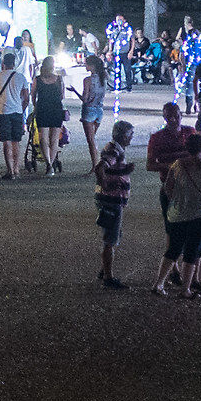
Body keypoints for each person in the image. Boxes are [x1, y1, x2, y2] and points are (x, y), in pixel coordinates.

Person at [152, 132, 201, 298]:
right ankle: (185, 289)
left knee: (173, 249)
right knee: (191, 251)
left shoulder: (178, 164)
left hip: (178, 214)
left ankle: (159, 283)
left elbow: (167, 187)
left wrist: (177, 200)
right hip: (200, 214)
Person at [92, 118, 136, 288]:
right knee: (110, 239)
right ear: (122, 136)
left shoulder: (115, 149)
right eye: (130, 135)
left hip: (111, 199)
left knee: (113, 235)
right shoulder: (113, 151)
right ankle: (108, 277)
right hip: (111, 200)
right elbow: (101, 167)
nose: (131, 138)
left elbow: (108, 168)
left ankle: (105, 269)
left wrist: (124, 170)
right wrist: (104, 183)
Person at [0, 57, 31, 181]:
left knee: (6, 141)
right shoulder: (21, 77)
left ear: (3, 64)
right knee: (16, 142)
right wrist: (22, 109)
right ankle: (17, 169)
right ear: (14, 64)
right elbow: (26, 98)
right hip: (17, 111)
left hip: (3, 111)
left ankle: (10, 170)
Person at [32, 58, 67, 175]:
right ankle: (51, 163)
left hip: (42, 109)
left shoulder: (37, 79)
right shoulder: (59, 79)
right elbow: (62, 96)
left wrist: (35, 107)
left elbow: (33, 96)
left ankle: (48, 163)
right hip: (56, 109)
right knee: (54, 139)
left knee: (43, 138)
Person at [76, 54, 106, 165]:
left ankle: (95, 165)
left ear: (92, 66)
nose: (85, 65)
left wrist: (74, 91)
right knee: (93, 137)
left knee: (91, 141)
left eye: (86, 64)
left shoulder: (88, 80)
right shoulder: (104, 77)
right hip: (99, 110)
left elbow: (85, 98)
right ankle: (97, 162)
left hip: (89, 110)